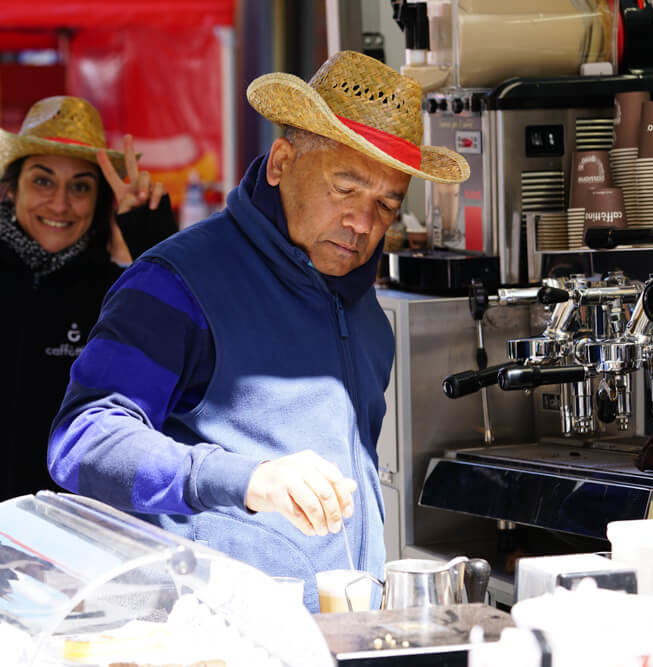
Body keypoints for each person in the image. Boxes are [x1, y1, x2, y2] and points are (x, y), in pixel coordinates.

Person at [47, 51, 469, 611]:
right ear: (281, 162)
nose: (363, 223)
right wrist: (247, 479)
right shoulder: (177, 281)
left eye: (386, 204)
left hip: (339, 631)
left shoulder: (366, 311)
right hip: (214, 633)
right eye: (345, 189)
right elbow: (84, 438)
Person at [0, 96, 176, 502]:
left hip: (76, 536)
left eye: (80, 187)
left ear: (100, 202)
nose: (60, 204)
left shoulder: (119, 294)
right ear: (12, 190)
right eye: (42, 180)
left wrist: (155, 244)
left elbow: (184, 373)